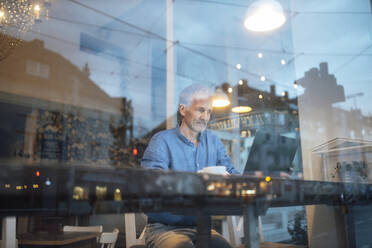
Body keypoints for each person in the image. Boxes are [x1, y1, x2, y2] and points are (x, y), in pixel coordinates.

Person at [141, 84, 240, 248]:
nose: (205, 117)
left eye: (209, 112)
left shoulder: (213, 141)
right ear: (182, 109)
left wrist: (244, 178)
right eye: (200, 110)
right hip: (164, 229)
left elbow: (231, 172)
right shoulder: (162, 141)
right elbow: (151, 184)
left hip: (203, 227)